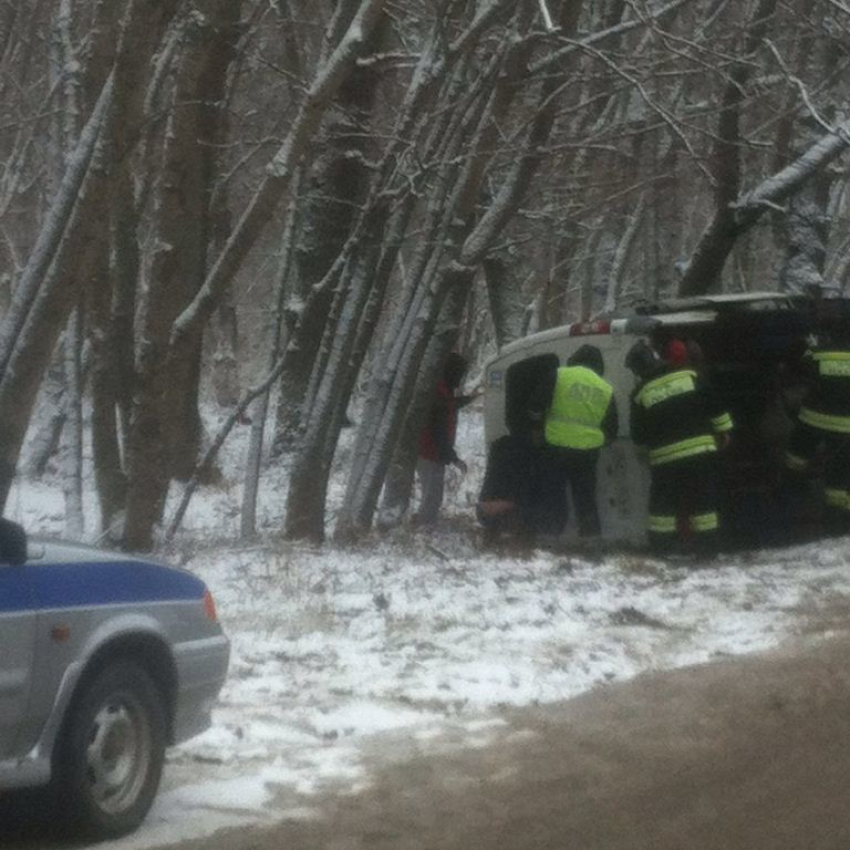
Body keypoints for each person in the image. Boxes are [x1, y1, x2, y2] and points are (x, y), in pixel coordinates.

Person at [628, 338, 733, 555]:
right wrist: (724, 431)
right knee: (703, 501)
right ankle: (708, 549)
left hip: (665, 460)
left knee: (662, 508)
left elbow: (638, 436)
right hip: (700, 452)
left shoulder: (639, 395)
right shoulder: (690, 376)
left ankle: (661, 549)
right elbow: (714, 405)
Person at [543, 344, 618, 537]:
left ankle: (553, 534)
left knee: (554, 493)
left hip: (555, 446)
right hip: (587, 452)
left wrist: (537, 428)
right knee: (585, 498)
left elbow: (536, 405)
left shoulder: (559, 375)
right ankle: (591, 538)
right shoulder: (606, 388)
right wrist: (597, 440)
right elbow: (612, 430)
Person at [783, 326, 850, 534]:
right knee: (840, 479)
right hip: (845, 428)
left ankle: (788, 507)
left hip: (813, 421)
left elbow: (794, 368)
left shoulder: (817, 353)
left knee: (794, 462)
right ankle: (837, 523)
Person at [477, 427, 567, 544]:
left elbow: (487, 504)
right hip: (535, 518)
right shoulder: (538, 454)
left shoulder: (501, 447)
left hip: (494, 512)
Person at [416, 353, 474, 525]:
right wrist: (452, 457)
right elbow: (439, 427)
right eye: (460, 373)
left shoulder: (442, 389)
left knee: (432, 493)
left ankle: (424, 525)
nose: (460, 378)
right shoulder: (439, 391)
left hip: (431, 451)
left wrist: (468, 399)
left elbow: (448, 405)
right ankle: (423, 528)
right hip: (430, 452)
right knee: (432, 495)